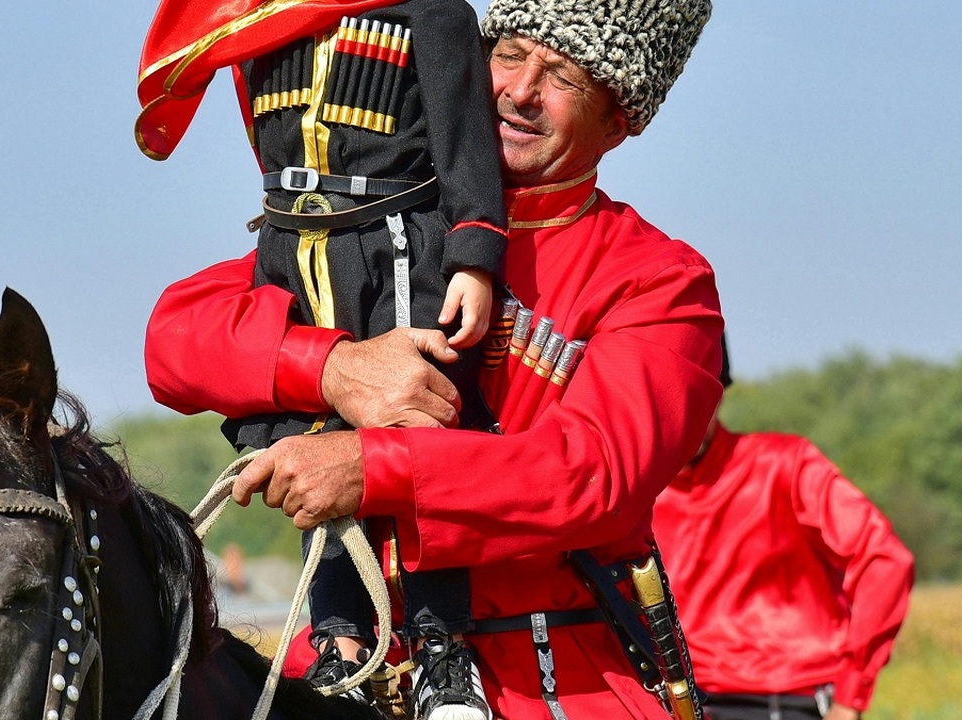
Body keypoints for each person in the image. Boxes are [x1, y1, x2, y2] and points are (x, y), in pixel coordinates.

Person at [144, 0, 722, 717]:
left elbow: (593, 473)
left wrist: (371, 467)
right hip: (345, 663)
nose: (518, 90)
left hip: (551, 684)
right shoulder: (376, 227)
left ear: (619, 121)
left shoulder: (662, 281)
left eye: (564, 76)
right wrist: (334, 367)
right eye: (508, 53)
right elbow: (174, 338)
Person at [137, 2, 509, 718]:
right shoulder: (256, 22)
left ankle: (441, 649)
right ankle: (338, 637)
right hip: (295, 246)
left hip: (401, 247)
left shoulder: (430, 15)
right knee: (314, 450)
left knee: (421, 431)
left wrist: (475, 253)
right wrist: (324, 364)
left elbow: (462, 141)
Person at [651, 344, 914, 720]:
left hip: (784, 702)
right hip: (678, 704)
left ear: (719, 391)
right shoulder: (633, 492)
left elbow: (884, 560)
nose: (686, 413)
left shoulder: (786, 466)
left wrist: (851, 694)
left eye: (698, 395)